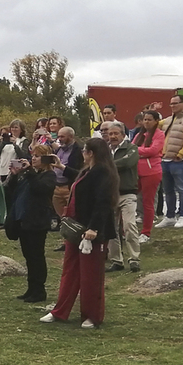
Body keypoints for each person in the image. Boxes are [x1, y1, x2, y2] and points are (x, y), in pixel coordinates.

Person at [40, 138, 118, 329]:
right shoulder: (88, 171)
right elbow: (82, 182)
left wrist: (93, 228)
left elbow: (103, 203)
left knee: (91, 275)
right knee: (70, 270)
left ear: (91, 152)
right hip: (76, 228)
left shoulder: (103, 173)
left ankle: (92, 315)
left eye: (84, 150)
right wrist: (62, 168)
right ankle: (60, 310)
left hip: (92, 230)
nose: (82, 153)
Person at [4, 144, 57, 302]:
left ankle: (39, 290)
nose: (33, 159)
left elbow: (40, 189)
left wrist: (30, 173)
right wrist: (14, 175)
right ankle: (31, 288)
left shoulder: (48, 175)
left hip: (37, 221)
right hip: (24, 220)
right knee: (28, 256)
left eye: (37, 156)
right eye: (33, 156)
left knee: (37, 256)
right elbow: (13, 192)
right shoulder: (30, 175)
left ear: (45, 159)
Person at [156, 95, 183, 228]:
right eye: (171, 104)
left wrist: (181, 154)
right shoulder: (168, 120)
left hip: (179, 161)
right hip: (165, 159)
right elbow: (153, 124)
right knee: (168, 190)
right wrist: (152, 112)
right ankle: (170, 216)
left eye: (175, 103)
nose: (172, 106)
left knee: (182, 189)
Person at [104, 123, 141, 273]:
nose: (112, 136)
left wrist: (106, 165)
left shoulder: (132, 148)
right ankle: (116, 260)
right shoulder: (105, 151)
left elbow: (127, 162)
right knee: (111, 229)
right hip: (110, 194)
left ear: (122, 134)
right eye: (110, 134)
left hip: (127, 193)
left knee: (129, 225)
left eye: (115, 134)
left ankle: (134, 259)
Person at [134, 110, 165, 244]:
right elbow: (131, 148)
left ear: (156, 121)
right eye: (144, 119)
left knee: (148, 202)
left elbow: (153, 150)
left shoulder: (159, 134)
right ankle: (124, 230)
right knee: (129, 199)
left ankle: (146, 232)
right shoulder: (139, 135)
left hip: (151, 172)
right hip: (136, 172)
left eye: (149, 119)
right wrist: (140, 152)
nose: (146, 122)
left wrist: (137, 150)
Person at [50, 127, 83, 248]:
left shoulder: (78, 151)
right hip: (56, 187)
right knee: (62, 217)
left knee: (72, 216)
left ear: (70, 136)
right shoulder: (59, 150)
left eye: (62, 136)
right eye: (59, 136)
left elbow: (79, 172)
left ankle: (75, 240)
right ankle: (66, 241)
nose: (59, 138)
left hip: (69, 187)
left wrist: (62, 168)